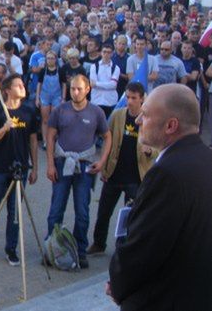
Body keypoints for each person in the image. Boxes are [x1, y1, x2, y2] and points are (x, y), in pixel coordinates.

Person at [108, 84, 212, 310]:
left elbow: (143, 249)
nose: (138, 121)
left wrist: (118, 285)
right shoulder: (205, 158)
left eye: (145, 115)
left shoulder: (166, 173)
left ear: (170, 126)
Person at [45, 74, 111, 269]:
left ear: (87, 89)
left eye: (79, 89)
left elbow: (107, 136)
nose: (75, 92)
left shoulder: (96, 112)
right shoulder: (60, 110)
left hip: (84, 166)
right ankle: (51, 249)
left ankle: (80, 251)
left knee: (82, 212)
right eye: (72, 89)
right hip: (62, 163)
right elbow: (50, 136)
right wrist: (49, 164)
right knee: (56, 210)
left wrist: (103, 161)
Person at [87, 82, 156, 255]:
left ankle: (123, 248)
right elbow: (108, 141)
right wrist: (104, 164)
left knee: (129, 216)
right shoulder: (118, 115)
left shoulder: (150, 119)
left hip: (135, 177)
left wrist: (150, 151)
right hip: (114, 174)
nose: (130, 101)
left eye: (134, 98)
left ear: (142, 99)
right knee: (103, 212)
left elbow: (158, 147)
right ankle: (98, 243)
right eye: (127, 97)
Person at [0, 74, 38, 265]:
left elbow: (33, 140)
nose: (22, 87)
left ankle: (11, 248)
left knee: (15, 211)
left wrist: (34, 166)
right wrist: (4, 128)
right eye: (18, 85)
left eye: (23, 84)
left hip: (19, 168)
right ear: (7, 90)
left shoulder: (29, 111)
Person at [89, 43, 120, 119]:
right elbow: (92, 85)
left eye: (109, 52)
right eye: (104, 52)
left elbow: (113, 85)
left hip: (110, 102)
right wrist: (107, 85)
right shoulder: (94, 67)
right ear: (101, 53)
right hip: (96, 101)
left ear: (112, 54)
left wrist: (97, 83)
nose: (106, 54)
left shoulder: (116, 68)